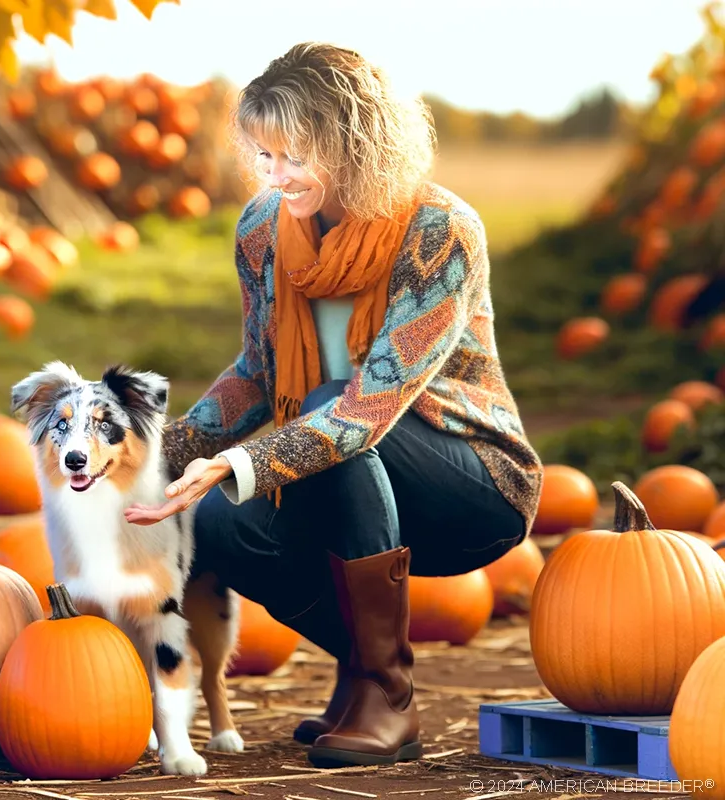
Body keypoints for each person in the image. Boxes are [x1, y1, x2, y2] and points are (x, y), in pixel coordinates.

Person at [124, 42, 544, 768]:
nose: (274, 175)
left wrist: (238, 460)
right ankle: (361, 673)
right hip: (335, 469)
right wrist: (149, 460)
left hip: (469, 482)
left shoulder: (438, 233)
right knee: (216, 523)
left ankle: (389, 692)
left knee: (326, 413)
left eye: (294, 156)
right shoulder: (263, 231)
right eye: (262, 154)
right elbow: (256, 375)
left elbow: (363, 412)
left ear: (354, 146)